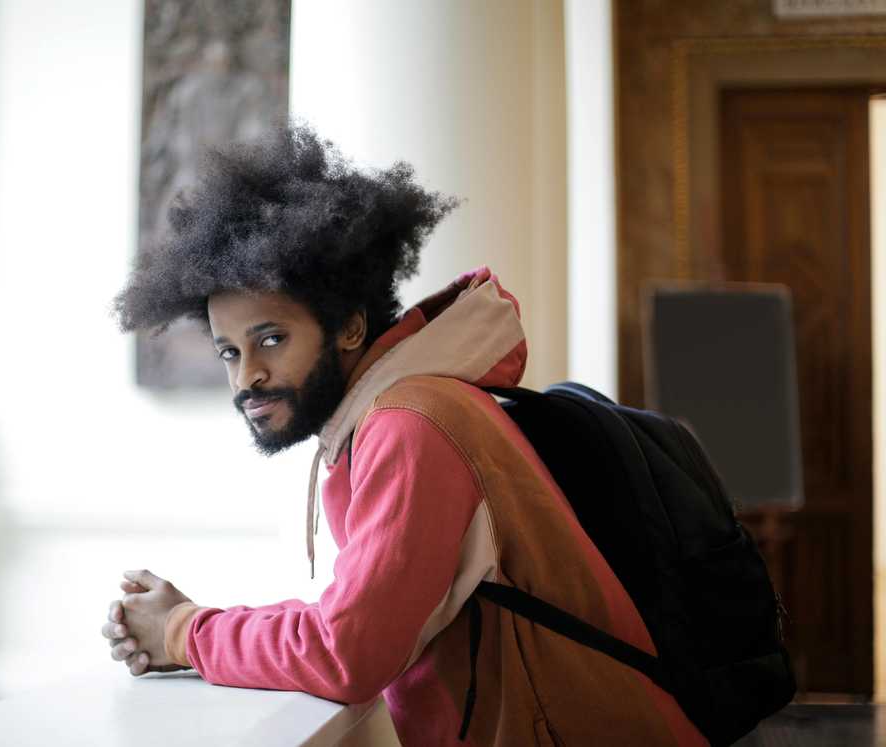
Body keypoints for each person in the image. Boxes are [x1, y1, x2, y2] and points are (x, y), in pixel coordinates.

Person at [100, 124, 707, 745]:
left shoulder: (412, 424)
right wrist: (192, 623)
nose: (248, 375)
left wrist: (183, 633)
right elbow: (355, 617)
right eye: (229, 351)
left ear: (350, 329)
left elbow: (348, 651)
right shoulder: (404, 411)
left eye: (272, 339)